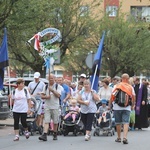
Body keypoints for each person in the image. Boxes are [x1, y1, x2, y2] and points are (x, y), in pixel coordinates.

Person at [109, 73, 135, 144]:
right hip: (127, 107)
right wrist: (132, 105)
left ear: (121, 78)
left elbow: (112, 96)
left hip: (117, 107)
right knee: (126, 122)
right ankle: (125, 137)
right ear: (127, 79)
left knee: (118, 123)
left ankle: (118, 137)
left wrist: (109, 105)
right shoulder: (130, 87)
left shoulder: (116, 86)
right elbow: (133, 97)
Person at [39, 74, 62, 141]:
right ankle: (45, 134)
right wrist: (46, 97)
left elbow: (58, 95)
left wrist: (52, 90)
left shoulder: (58, 86)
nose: (51, 79)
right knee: (47, 120)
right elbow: (42, 96)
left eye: (52, 78)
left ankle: (55, 133)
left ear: (54, 79)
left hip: (55, 106)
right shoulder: (45, 86)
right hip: (47, 106)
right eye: (49, 78)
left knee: (55, 121)